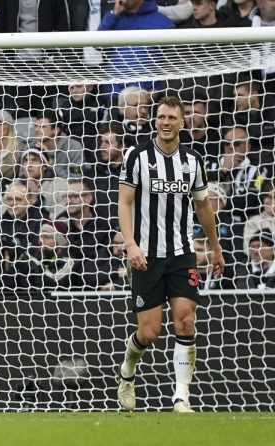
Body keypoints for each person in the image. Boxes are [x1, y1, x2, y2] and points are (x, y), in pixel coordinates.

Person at [117, 96, 225, 413]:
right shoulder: (136, 156)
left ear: (181, 122)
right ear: (156, 121)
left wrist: (215, 247)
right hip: (145, 255)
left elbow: (204, 206)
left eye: (172, 118)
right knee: (149, 332)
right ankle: (127, 372)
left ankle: (181, 397)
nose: (165, 122)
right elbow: (124, 202)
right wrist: (131, 244)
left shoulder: (192, 161)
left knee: (186, 322)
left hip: (181, 254)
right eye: (161, 117)